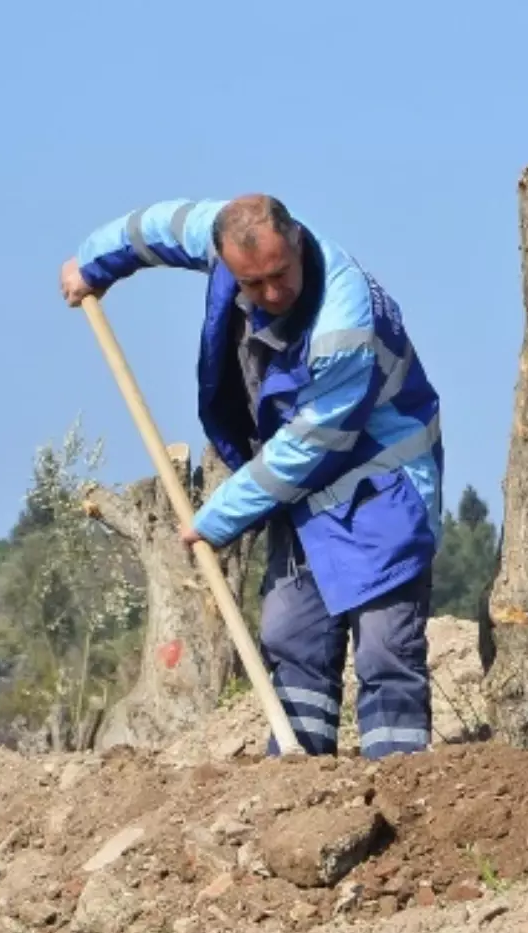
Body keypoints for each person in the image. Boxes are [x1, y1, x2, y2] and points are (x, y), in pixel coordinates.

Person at [59, 195, 443, 760]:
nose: (269, 294)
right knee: (292, 635)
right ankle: (298, 784)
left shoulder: (343, 323)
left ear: (296, 242)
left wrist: (216, 519)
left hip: (380, 482)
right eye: (251, 282)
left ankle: (403, 785)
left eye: (279, 275)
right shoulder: (220, 233)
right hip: (305, 492)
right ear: (223, 259)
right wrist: (92, 264)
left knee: (385, 649)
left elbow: (312, 446)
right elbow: (154, 229)